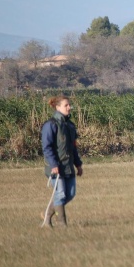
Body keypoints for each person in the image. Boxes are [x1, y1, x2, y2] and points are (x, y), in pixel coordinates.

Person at [41, 94, 83, 227]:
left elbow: (73, 148)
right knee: (60, 193)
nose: (69, 107)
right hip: (56, 167)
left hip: (68, 166)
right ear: (57, 107)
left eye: (69, 105)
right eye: (66, 105)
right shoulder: (50, 125)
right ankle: (62, 224)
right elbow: (46, 147)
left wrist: (78, 164)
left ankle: (47, 214)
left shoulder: (70, 125)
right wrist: (53, 164)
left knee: (70, 194)